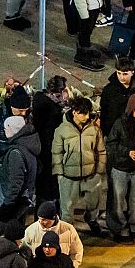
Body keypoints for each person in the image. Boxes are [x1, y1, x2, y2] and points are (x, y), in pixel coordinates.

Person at [55, 96, 106, 236]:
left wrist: (99, 172)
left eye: (88, 113)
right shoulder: (62, 130)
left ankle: (92, 220)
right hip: (69, 177)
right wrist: (59, 175)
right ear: (75, 112)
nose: (87, 116)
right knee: (67, 210)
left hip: (90, 176)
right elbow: (56, 153)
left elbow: (101, 151)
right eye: (83, 113)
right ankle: (67, 234)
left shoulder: (94, 130)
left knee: (93, 203)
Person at [105, 94, 135, 242]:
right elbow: (111, 144)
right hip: (121, 168)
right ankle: (120, 229)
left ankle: (134, 228)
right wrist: (128, 152)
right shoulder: (120, 123)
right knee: (118, 201)